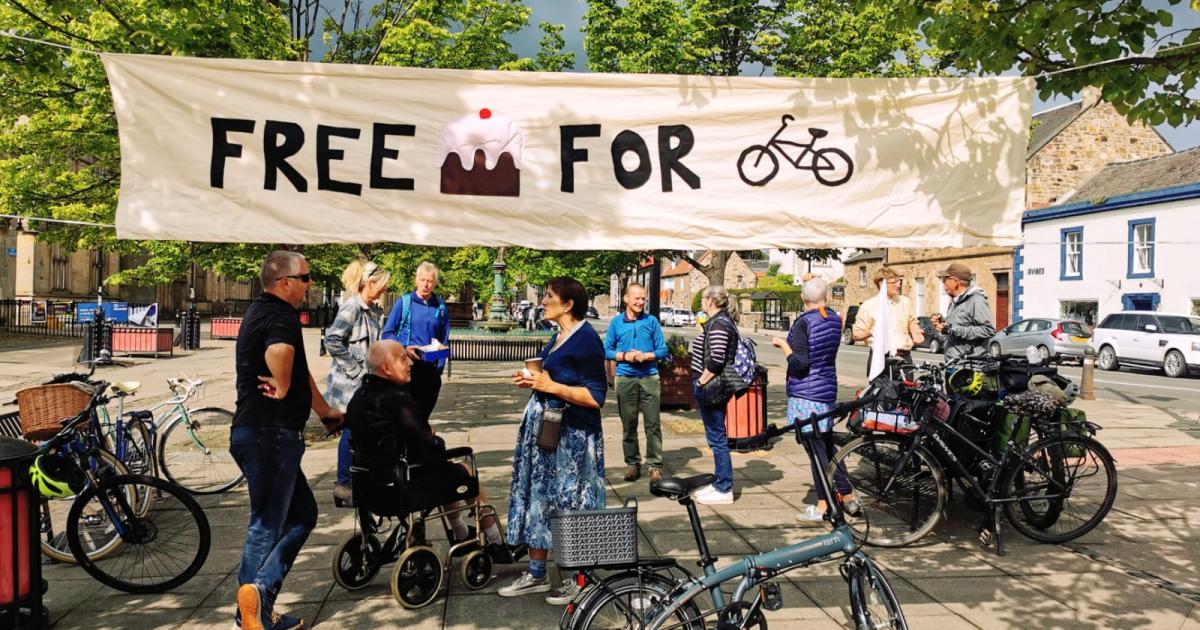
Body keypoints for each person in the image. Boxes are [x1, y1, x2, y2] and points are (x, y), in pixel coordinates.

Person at [231, 251, 341, 630]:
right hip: (270, 434)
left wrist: (325, 412)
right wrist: (280, 382)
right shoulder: (280, 314)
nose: (311, 285)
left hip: (261, 433)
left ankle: (254, 603)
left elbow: (302, 374)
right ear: (285, 282)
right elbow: (281, 351)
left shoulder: (260, 311)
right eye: (306, 278)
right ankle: (254, 604)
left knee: (302, 515)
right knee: (266, 523)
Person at [501, 277, 606, 605]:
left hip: (573, 438)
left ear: (568, 303)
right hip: (549, 433)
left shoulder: (587, 339)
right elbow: (552, 378)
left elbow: (596, 396)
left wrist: (551, 387)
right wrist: (533, 381)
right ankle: (536, 572)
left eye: (548, 296)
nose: (543, 301)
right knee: (540, 499)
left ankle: (582, 578)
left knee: (572, 503)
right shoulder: (558, 335)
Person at [345, 341, 505, 551]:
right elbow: (427, 449)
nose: (409, 363)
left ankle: (461, 532)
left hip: (370, 482)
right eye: (403, 359)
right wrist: (434, 440)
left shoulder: (359, 397)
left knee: (445, 469)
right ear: (386, 367)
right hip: (401, 482)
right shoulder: (398, 400)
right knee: (462, 471)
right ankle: (495, 539)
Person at [771, 278, 858, 524]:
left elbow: (800, 364)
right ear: (827, 297)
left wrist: (784, 346)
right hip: (826, 389)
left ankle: (823, 505)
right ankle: (848, 496)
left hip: (806, 394)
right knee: (828, 447)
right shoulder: (834, 319)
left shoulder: (803, 323)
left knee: (817, 452)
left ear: (802, 298)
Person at [325, 259, 390, 508]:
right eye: (381, 285)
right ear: (369, 283)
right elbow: (332, 340)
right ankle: (344, 486)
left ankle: (357, 482)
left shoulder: (373, 311)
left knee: (361, 431)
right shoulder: (351, 308)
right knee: (351, 431)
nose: (384, 289)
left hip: (365, 385)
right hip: (349, 386)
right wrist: (355, 370)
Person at [603, 283, 669, 483]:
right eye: (637, 298)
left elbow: (663, 350)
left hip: (649, 376)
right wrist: (624, 356)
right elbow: (606, 350)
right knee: (628, 424)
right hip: (625, 378)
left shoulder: (651, 322)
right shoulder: (616, 323)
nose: (641, 302)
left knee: (653, 424)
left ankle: (655, 466)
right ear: (626, 299)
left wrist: (647, 356)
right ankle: (632, 464)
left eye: (643, 298)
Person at [689, 285, 738, 505]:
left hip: (713, 388)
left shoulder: (719, 323)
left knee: (717, 439)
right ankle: (720, 482)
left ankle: (724, 488)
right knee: (715, 437)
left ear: (710, 300)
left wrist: (701, 381)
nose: (701, 302)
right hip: (713, 387)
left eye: (703, 298)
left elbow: (717, 359)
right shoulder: (717, 322)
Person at [382, 261, 450, 421]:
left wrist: (439, 367)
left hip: (430, 370)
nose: (426, 284)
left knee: (422, 416)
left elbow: (444, 337)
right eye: (422, 280)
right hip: (406, 368)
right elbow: (387, 333)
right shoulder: (404, 303)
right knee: (406, 417)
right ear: (416, 280)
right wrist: (405, 348)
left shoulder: (440, 307)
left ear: (435, 283)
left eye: (430, 281)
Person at [852, 267, 924, 373]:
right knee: (883, 389)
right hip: (880, 358)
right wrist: (872, 331)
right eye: (894, 282)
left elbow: (912, 322)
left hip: (904, 357)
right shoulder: (868, 306)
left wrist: (916, 332)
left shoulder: (905, 302)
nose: (899, 285)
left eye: (899, 281)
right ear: (882, 284)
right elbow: (856, 335)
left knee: (907, 389)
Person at [937, 262, 997, 361]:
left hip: (968, 365)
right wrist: (943, 324)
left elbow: (988, 330)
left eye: (945, 280)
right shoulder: (955, 300)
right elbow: (958, 326)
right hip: (953, 362)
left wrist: (952, 329)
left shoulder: (976, 300)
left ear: (956, 281)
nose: (943, 283)